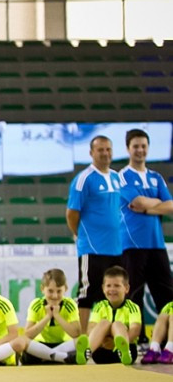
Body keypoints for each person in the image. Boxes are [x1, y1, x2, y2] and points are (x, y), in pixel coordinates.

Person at [118, 128, 173, 345]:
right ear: (128, 149)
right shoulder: (122, 176)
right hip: (132, 245)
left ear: (148, 148)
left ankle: (167, 340)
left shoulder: (156, 177)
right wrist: (157, 205)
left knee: (167, 296)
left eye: (143, 146)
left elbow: (170, 206)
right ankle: (137, 339)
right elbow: (137, 203)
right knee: (134, 296)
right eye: (136, 146)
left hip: (156, 244)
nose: (140, 150)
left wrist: (150, 207)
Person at [66, 135, 126, 333]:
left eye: (108, 149)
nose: (105, 153)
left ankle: (109, 335)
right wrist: (80, 235)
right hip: (92, 247)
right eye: (100, 150)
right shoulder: (84, 179)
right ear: (91, 153)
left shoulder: (117, 177)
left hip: (116, 247)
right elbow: (72, 213)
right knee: (88, 291)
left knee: (115, 291)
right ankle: (83, 338)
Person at [20, 268, 89, 365]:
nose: (55, 296)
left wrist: (57, 315)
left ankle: (45, 357)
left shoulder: (70, 304)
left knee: (81, 341)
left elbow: (76, 333)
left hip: (62, 345)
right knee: (23, 341)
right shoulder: (36, 305)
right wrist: (47, 316)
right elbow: (28, 335)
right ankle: (63, 358)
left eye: (59, 291)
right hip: (41, 345)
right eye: (50, 291)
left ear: (66, 289)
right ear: (42, 289)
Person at [84, 266, 141, 365]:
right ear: (103, 288)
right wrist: (103, 342)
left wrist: (115, 343)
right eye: (109, 286)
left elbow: (135, 329)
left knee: (117, 324)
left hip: (128, 352)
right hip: (101, 351)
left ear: (126, 288)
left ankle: (123, 350)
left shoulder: (133, 307)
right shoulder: (100, 306)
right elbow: (91, 328)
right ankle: (86, 352)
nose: (112, 289)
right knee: (104, 323)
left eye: (117, 286)